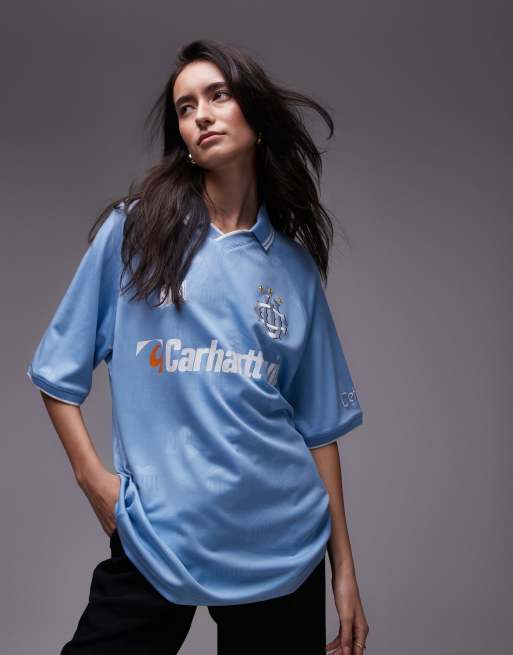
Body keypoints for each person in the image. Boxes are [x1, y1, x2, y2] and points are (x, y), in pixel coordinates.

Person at [26, 38, 369, 654]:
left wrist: (344, 570)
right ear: (182, 136)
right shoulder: (135, 234)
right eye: (186, 108)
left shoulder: (291, 270)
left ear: (256, 120)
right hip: (157, 538)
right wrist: (93, 480)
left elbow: (320, 432)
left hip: (281, 549)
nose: (201, 115)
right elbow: (57, 372)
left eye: (218, 96)